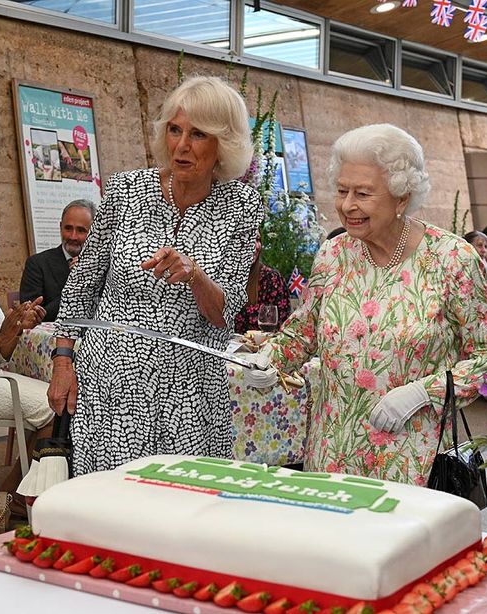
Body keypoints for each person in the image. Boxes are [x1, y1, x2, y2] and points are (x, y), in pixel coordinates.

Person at [253, 124, 487, 484]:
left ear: (402, 197)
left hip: (411, 465)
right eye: (342, 191)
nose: (347, 206)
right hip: (330, 458)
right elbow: (303, 331)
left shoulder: (451, 258)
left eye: (363, 193)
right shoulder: (334, 253)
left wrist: (423, 392)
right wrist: (269, 359)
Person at [46, 75, 262, 476]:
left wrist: (195, 274)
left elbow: (225, 314)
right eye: (175, 130)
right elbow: (82, 285)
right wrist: (63, 360)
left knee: (182, 506)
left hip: (191, 387)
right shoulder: (126, 190)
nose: (181, 145)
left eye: (198, 134)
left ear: (223, 145)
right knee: (113, 503)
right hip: (112, 380)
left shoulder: (242, 205)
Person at [0, 203, 53, 509]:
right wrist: (0, 336)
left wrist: (18, 327)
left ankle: (17, 490)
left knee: (56, 399)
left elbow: (3, 351)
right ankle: (14, 493)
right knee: (51, 407)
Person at [19, 199, 95, 322]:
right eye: (68, 228)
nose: (73, 236)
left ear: (93, 232)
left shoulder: (103, 267)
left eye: (81, 230)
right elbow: (32, 318)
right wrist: (76, 283)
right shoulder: (37, 264)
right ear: (60, 227)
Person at [234, 234, 291, 334]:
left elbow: (281, 319)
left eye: (258, 239)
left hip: (261, 347)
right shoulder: (219, 277)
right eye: (250, 239)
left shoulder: (270, 278)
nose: (256, 246)